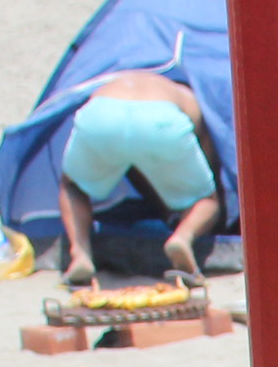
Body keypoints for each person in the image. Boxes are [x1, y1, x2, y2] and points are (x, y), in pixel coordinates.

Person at [51, 66, 218, 284]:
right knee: (207, 199)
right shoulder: (187, 95)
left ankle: (80, 253)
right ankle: (182, 237)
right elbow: (208, 165)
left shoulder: (114, 81)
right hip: (161, 119)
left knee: (73, 186)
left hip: (102, 114)